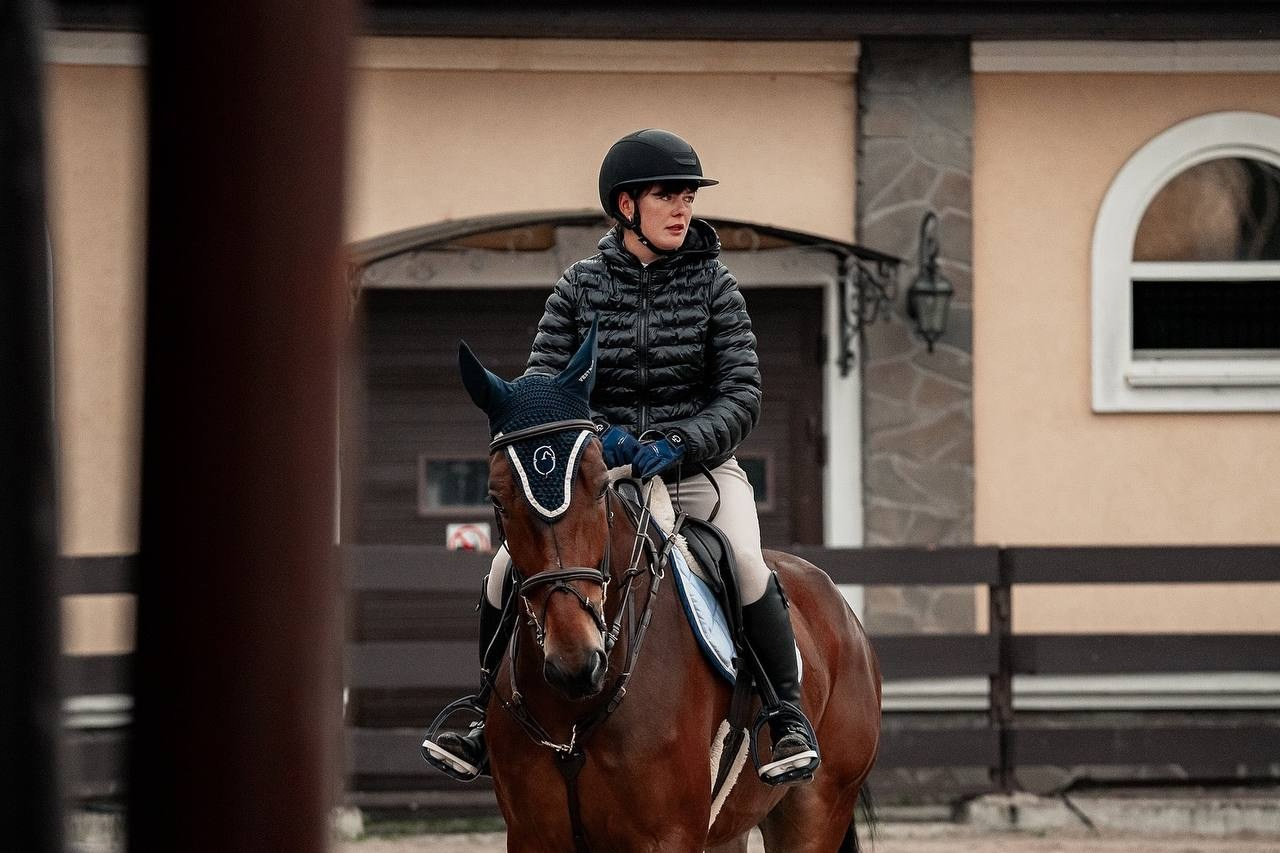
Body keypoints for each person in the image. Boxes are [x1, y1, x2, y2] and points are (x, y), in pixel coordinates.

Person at [423, 128, 820, 785]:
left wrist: (679, 441)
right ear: (626, 206)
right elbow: (543, 390)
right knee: (502, 570)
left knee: (747, 565)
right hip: (598, 473)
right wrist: (597, 436)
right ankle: (483, 715)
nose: (682, 208)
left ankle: (787, 715)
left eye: (688, 196)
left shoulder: (715, 287)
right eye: (668, 195)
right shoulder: (578, 287)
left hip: (697, 470)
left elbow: (743, 393)